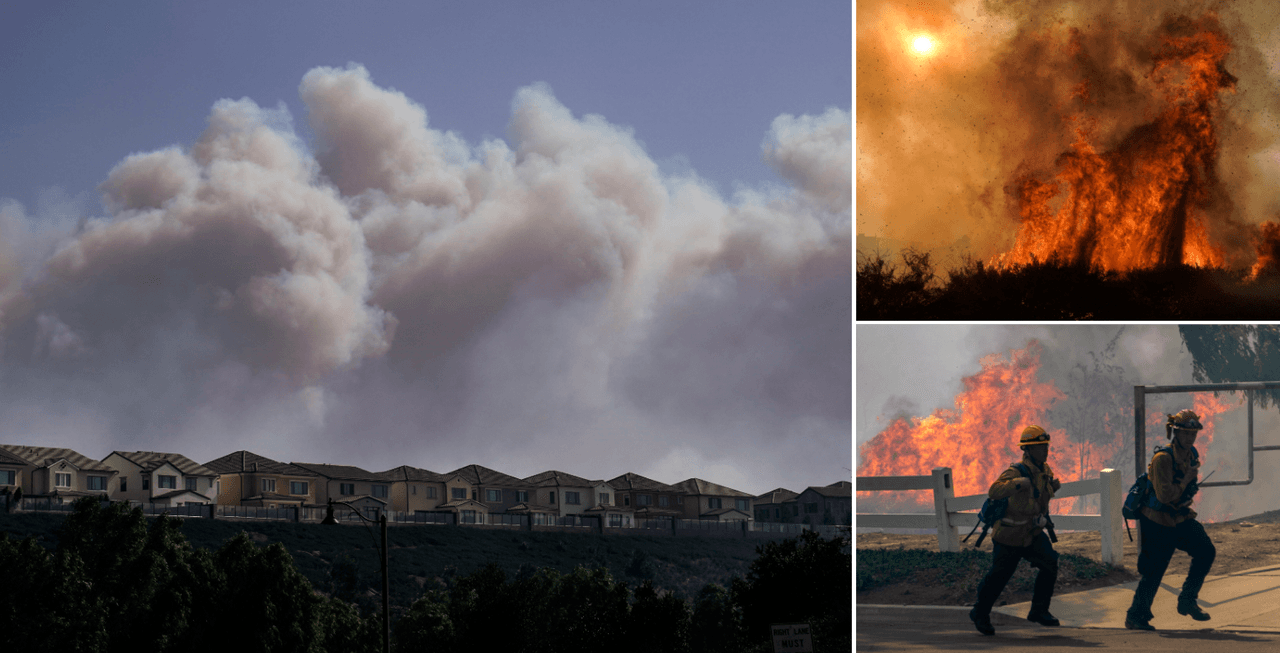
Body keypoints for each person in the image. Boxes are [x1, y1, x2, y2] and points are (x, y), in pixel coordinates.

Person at [1125, 409, 1216, 631]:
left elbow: (1183, 490)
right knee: (1154, 570)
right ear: (1175, 433)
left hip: (1179, 517)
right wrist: (1186, 481)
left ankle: (1187, 600)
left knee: (1206, 551)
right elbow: (1165, 495)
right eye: (1185, 433)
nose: (1190, 438)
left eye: (1193, 434)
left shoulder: (1191, 454)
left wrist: (1188, 488)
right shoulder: (1162, 459)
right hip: (1156, 520)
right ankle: (1136, 616)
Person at [970, 425, 1062, 636]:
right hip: (1009, 535)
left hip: (1031, 533)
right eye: (1040, 447)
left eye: (1046, 446)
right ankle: (980, 612)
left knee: (1050, 564)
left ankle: (1039, 610)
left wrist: (1051, 490)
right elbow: (994, 490)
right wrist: (1018, 484)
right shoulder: (1016, 472)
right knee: (999, 576)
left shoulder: (1045, 472)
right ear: (1027, 450)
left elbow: (1040, 498)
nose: (1045, 451)